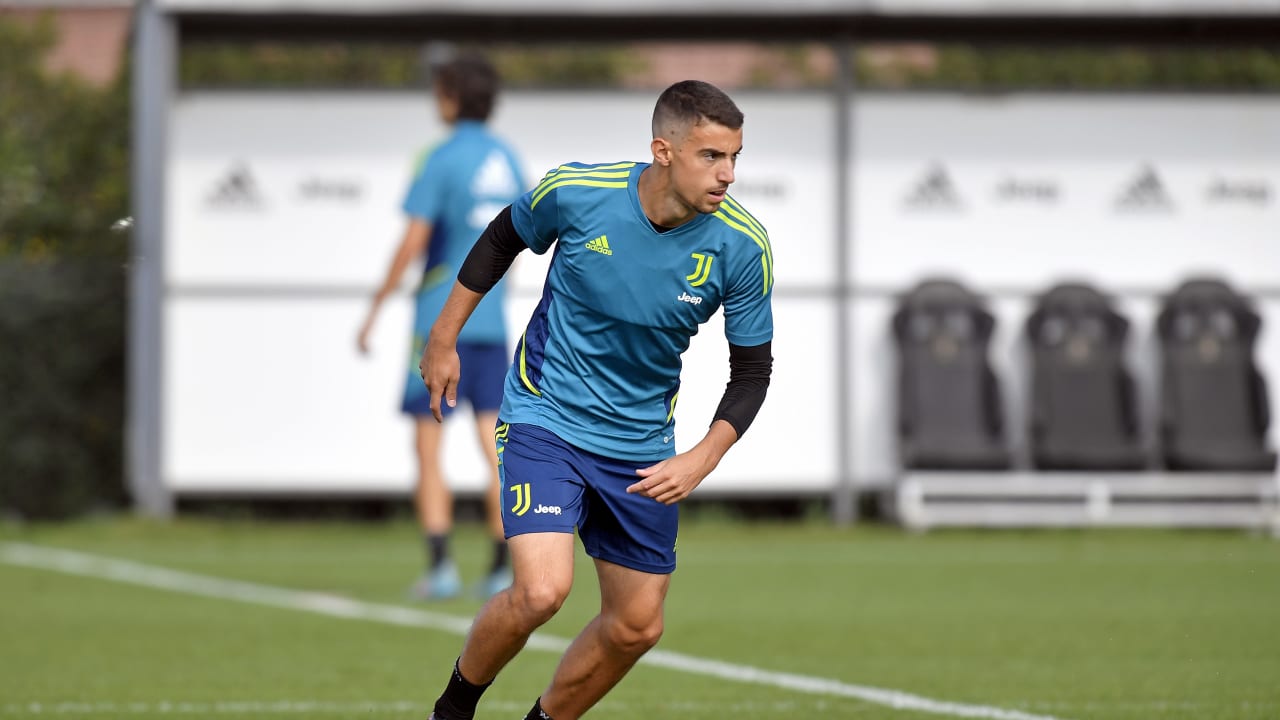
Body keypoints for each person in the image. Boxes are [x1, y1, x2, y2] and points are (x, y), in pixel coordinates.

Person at [419, 80, 774, 720]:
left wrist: (702, 458)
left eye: (735, 158)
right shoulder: (580, 192)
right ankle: (453, 711)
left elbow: (752, 372)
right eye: (711, 156)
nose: (727, 174)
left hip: (640, 446)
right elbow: (502, 237)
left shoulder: (742, 246)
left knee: (637, 627)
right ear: (663, 151)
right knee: (541, 591)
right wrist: (443, 338)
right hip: (544, 414)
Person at [357, 52, 524, 601]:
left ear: (450, 98)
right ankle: (502, 568)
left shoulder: (440, 157)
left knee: (429, 447)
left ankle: (442, 567)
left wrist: (376, 309)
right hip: (491, 321)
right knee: (494, 446)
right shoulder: (507, 158)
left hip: (438, 324)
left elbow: (412, 242)